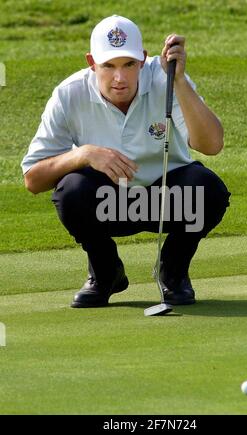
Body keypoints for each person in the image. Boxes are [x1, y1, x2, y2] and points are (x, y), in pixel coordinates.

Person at [21, 15, 231, 309]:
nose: (119, 78)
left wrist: (180, 81)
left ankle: (173, 273)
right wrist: (83, 154)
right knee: (71, 191)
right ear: (91, 61)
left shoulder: (166, 79)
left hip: (167, 203)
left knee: (208, 190)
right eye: (108, 66)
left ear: (143, 60)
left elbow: (212, 145)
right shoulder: (69, 94)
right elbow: (33, 179)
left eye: (128, 65)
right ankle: (106, 274)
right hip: (109, 205)